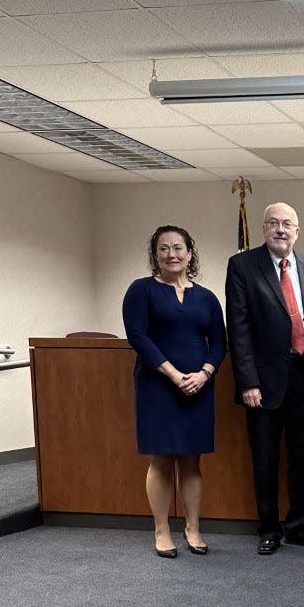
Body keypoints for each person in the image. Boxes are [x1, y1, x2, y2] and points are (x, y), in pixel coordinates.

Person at [225, 201, 304, 555]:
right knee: (266, 459)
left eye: (287, 224)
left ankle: (300, 526)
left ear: (298, 231)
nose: (280, 229)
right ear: (264, 228)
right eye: (273, 223)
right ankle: (269, 529)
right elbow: (238, 330)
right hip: (264, 381)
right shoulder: (242, 266)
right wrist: (247, 382)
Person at [122, 226, 226, 558]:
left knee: (192, 462)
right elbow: (138, 336)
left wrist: (205, 374)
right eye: (164, 248)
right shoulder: (142, 291)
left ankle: (193, 530)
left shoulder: (206, 297)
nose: (172, 254)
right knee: (162, 460)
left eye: (178, 248)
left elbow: (219, 343)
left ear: (190, 254)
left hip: (198, 387)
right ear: (155, 255)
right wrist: (173, 373)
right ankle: (162, 530)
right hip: (158, 387)